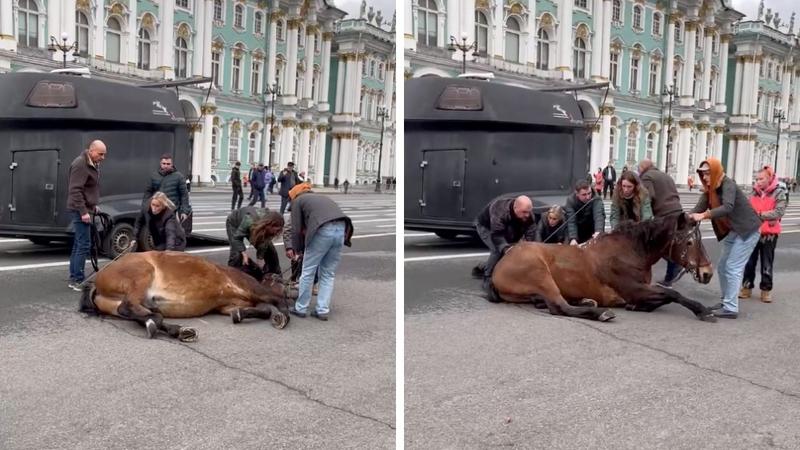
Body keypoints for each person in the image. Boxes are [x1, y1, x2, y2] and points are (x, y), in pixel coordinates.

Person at [689, 158, 761, 319]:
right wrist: (685, 218)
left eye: (708, 173)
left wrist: (704, 215)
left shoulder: (728, 184)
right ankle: (726, 301)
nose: (705, 177)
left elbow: (727, 207)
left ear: (715, 172)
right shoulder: (710, 190)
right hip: (733, 231)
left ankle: (731, 308)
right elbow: (697, 209)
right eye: (702, 174)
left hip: (747, 230)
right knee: (722, 267)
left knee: (733, 267)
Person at [287, 183, 354, 321]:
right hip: (341, 229)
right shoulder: (321, 198)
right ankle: (322, 310)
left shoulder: (298, 201)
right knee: (328, 273)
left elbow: (295, 229)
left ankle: (301, 307)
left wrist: (297, 250)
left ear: (294, 195)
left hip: (323, 230)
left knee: (307, 272)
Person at [741, 165, 787, 303]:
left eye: (761, 179)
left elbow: (779, 212)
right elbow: (746, 209)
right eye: (756, 179)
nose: (758, 182)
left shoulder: (779, 192)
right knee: (749, 262)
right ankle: (746, 287)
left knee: (767, 262)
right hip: (753, 231)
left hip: (769, 233)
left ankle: (766, 290)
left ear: (769, 178)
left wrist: (759, 215)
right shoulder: (753, 192)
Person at [67, 140, 107, 291]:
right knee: (84, 244)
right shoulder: (81, 164)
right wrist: (84, 211)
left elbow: (88, 189)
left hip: (85, 207)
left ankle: (74, 277)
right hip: (79, 209)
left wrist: (93, 205)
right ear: (91, 151)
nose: (103, 157)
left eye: (104, 154)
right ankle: (78, 279)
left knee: (79, 243)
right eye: (100, 154)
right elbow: (75, 190)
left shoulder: (92, 163)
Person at [474, 195, 537, 290]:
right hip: (487, 227)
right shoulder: (499, 209)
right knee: (497, 250)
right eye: (524, 212)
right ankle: (487, 278)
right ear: (515, 207)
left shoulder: (528, 215)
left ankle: (484, 266)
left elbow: (531, 234)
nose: (527, 215)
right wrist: (505, 248)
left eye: (528, 212)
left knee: (513, 248)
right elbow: (497, 235)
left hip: (508, 225)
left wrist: (527, 246)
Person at [638, 159, 685, 288]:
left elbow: (648, 196)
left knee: (656, 244)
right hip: (677, 212)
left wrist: (645, 216)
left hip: (663, 215)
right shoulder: (666, 176)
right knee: (668, 243)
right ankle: (669, 279)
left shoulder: (646, 177)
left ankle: (676, 263)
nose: (638, 171)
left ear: (642, 168)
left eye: (638, 168)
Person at [226, 206, 283, 277]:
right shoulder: (249, 220)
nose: (276, 233)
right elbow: (237, 238)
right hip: (234, 223)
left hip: (255, 226)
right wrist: (244, 253)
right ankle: (231, 276)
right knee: (236, 254)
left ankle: (276, 276)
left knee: (271, 252)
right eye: (276, 230)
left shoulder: (268, 229)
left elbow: (263, 244)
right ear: (270, 224)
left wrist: (260, 258)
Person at [143, 153, 191, 224]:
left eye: (168, 164)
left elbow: (184, 195)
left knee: (171, 232)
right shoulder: (154, 176)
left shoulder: (179, 177)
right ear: (160, 163)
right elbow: (148, 193)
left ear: (172, 164)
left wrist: (184, 211)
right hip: (157, 211)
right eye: (164, 163)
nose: (166, 166)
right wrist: (145, 209)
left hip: (171, 212)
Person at [564, 180, 606, 246]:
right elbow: (571, 221)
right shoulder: (570, 201)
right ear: (577, 194)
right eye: (584, 194)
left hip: (592, 229)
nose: (588, 197)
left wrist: (598, 231)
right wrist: (573, 238)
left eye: (589, 193)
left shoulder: (596, 198)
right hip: (578, 229)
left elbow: (599, 216)